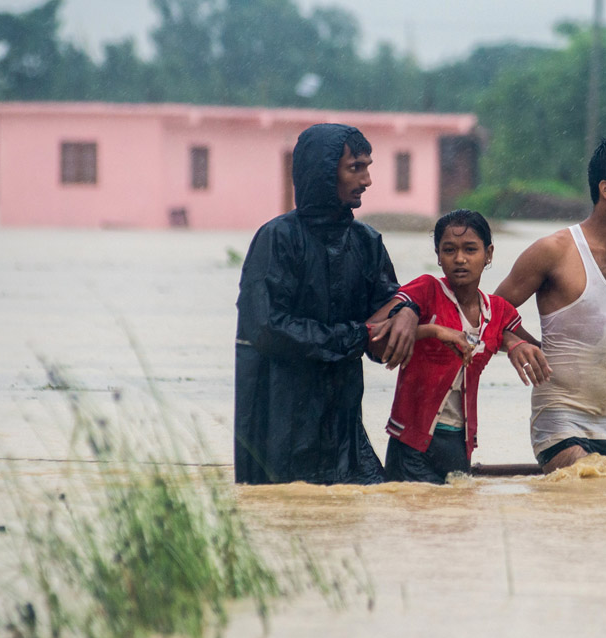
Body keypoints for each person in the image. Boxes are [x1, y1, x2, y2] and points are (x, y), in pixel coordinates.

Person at [233, 123, 418, 485]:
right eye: (355, 168)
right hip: (279, 428)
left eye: (368, 167)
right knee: (282, 507)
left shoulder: (366, 242)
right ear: (322, 172)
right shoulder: (277, 239)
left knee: (364, 507)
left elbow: (388, 314)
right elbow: (267, 329)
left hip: (344, 430)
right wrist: (357, 336)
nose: (367, 180)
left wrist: (409, 309)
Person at [493, 137, 606, 474]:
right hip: (558, 421)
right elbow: (486, 313)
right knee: (588, 481)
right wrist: (516, 342)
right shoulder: (554, 250)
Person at [368, 209, 550, 483]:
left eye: (470, 249)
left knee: (459, 510)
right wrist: (432, 331)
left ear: (489, 254)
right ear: (438, 256)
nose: (460, 259)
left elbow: (536, 347)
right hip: (411, 444)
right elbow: (371, 334)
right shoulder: (426, 290)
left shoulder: (498, 310)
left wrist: (516, 343)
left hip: (459, 444)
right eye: (449, 250)